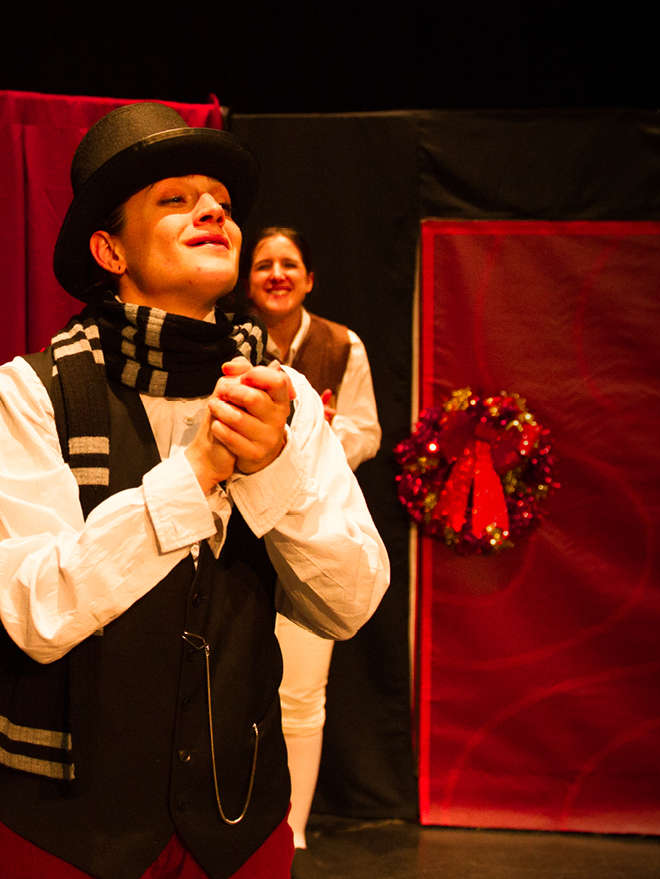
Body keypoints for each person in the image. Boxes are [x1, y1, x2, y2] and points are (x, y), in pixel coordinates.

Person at [0, 102, 388, 879]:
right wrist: (193, 477)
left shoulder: (285, 397)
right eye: (176, 199)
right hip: (68, 837)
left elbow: (349, 604)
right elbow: (35, 608)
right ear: (109, 249)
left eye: (221, 201)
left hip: (238, 830)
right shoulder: (30, 393)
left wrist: (273, 471)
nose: (214, 211)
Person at [247, 226, 379, 850]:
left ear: (309, 278)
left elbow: (367, 431)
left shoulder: (341, 344)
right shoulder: (223, 337)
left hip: (310, 533)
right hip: (237, 531)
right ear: (247, 281)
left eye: (288, 264)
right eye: (263, 265)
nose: (276, 274)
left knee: (301, 694)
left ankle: (291, 828)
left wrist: (320, 434)